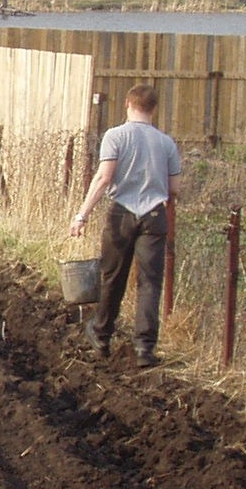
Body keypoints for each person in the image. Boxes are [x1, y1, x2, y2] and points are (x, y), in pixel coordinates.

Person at [70, 81, 183, 363]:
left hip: (121, 213)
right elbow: (176, 188)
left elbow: (104, 178)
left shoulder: (115, 136)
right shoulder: (166, 143)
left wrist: (82, 215)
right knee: (150, 282)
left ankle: (102, 334)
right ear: (154, 109)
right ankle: (145, 348)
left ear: (127, 104)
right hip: (155, 216)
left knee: (113, 277)